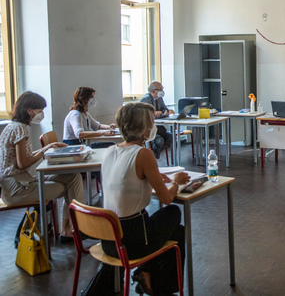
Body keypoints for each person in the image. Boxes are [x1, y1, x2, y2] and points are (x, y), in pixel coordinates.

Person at [101, 102, 190, 295]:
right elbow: (166, 199)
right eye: (151, 122)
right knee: (173, 212)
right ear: (143, 128)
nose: (153, 127)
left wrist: (154, 178)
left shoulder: (110, 151)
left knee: (176, 231)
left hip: (108, 240)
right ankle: (156, 281)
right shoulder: (143, 153)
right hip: (131, 241)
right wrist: (176, 181)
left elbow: (125, 183)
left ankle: (149, 276)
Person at [0, 91, 84, 242]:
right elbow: (23, 163)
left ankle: (70, 229)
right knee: (72, 187)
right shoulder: (21, 129)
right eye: (39, 111)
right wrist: (45, 151)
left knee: (73, 177)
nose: (41, 114)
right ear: (29, 111)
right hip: (18, 188)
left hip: (17, 183)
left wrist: (49, 146)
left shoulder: (13, 126)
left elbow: (24, 158)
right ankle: (74, 229)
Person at [140, 81, 174, 159]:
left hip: (158, 127)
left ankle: (154, 154)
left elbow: (165, 110)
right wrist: (162, 114)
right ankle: (153, 156)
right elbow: (150, 116)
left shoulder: (159, 98)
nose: (162, 91)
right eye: (160, 89)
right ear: (153, 91)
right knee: (159, 141)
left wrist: (161, 113)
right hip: (148, 128)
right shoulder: (146, 99)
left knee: (171, 137)